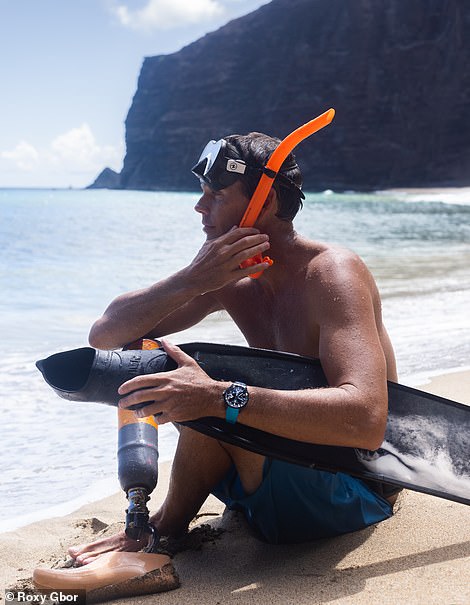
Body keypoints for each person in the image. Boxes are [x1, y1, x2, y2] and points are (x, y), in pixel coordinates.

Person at [69, 131, 399, 565]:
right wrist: (192, 280)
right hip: (281, 469)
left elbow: (365, 421)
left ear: (266, 203)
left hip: (353, 487)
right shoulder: (231, 276)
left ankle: (162, 527)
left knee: (212, 384)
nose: (200, 206)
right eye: (202, 192)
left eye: (216, 194)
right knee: (154, 357)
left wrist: (215, 395)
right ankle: (164, 525)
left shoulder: (332, 273)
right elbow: (107, 337)